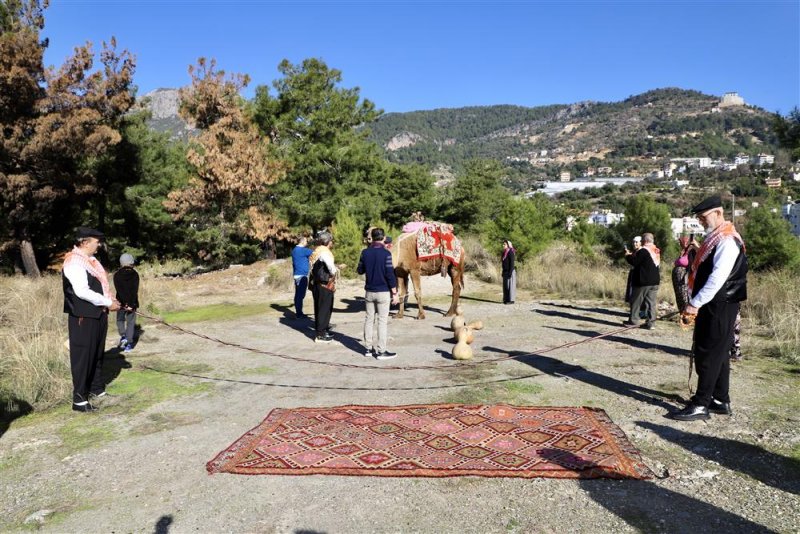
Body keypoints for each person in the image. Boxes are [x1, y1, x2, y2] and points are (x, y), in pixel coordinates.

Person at [671, 195, 747, 421]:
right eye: (699, 218)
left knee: (707, 354)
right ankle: (720, 400)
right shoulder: (716, 237)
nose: (701, 221)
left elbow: (717, 278)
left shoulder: (726, 240)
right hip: (716, 303)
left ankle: (701, 403)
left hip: (719, 304)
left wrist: (694, 304)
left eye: (703, 217)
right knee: (719, 353)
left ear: (718, 213)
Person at [62, 227, 121, 412]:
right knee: (82, 357)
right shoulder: (74, 262)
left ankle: (96, 389)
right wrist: (107, 302)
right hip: (83, 317)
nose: (99, 245)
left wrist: (110, 300)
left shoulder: (91, 261)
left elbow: (100, 286)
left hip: (98, 314)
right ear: (85, 242)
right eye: (96, 242)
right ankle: (79, 400)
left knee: (96, 353)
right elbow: (82, 291)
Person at [357, 228, 400, 360]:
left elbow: (359, 270)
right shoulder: (386, 254)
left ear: (372, 238)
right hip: (383, 292)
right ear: (383, 238)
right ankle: (381, 352)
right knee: (382, 321)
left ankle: (368, 349)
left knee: (369, 319)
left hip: (369, 292)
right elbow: (389, 274)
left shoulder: (365, 252)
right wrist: (395, 292)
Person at [624, 232, 660, 330]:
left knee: (636, 301)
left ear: (645, 241)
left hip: (643, 281)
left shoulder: (644, 250)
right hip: (655, 281)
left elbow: (634, 262)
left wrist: (627, 256)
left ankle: (633, 321)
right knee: (651, 303)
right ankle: (651, 323)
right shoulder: (656, 250)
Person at [309, 231, 338, 343]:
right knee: (324, 309)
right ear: (327, 241)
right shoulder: (324, 252)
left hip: (317, 283)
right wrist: (335, 271)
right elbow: (331, 267)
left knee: (319, 308)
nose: (331, 242)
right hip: (324, 283)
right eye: (331, 240)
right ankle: (320, 334)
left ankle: (323, 330)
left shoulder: (316, 251)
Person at [113, 253, 139, 353]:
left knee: (120, 320)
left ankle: (123, 335)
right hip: (132, 303)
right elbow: (134, 291)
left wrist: (125, 304)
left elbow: (119, 290)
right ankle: (129, 343)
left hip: (120, 303)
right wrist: (131, 304)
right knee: (131, 322)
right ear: (131, 263)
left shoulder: (117, 275)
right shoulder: (135, 274)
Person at [671, 234, 698, 313]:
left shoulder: (692, 251)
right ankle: (682, 313)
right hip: (678, 280)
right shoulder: (683, 251)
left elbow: (693, 265)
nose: (680, 244)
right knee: (680, 297)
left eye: (681, 242)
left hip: (684, 279)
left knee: (684, 297)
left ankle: (686, 314)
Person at [291, 236, 313, 319]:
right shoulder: (303, 250)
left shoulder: (294, 250)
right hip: (302, 276)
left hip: (297, 275)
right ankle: (299, 314)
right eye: (306, 241)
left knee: (298, 295)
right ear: (303, 242)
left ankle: (298, 312)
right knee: (300, 295)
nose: (307, 243)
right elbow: (315, 252)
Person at [501, 239, 516, 304]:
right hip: (505, 271)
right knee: (505, 286)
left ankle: (511, 300)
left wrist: (510, 273)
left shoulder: (511, 252)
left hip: (510, 271)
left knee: (511, 286)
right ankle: (506, 299)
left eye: (504, 244)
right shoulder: (504, 252)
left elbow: (512, 263)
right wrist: (503, 272)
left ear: (508, 245)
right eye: (503, 244)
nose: (503, 245)